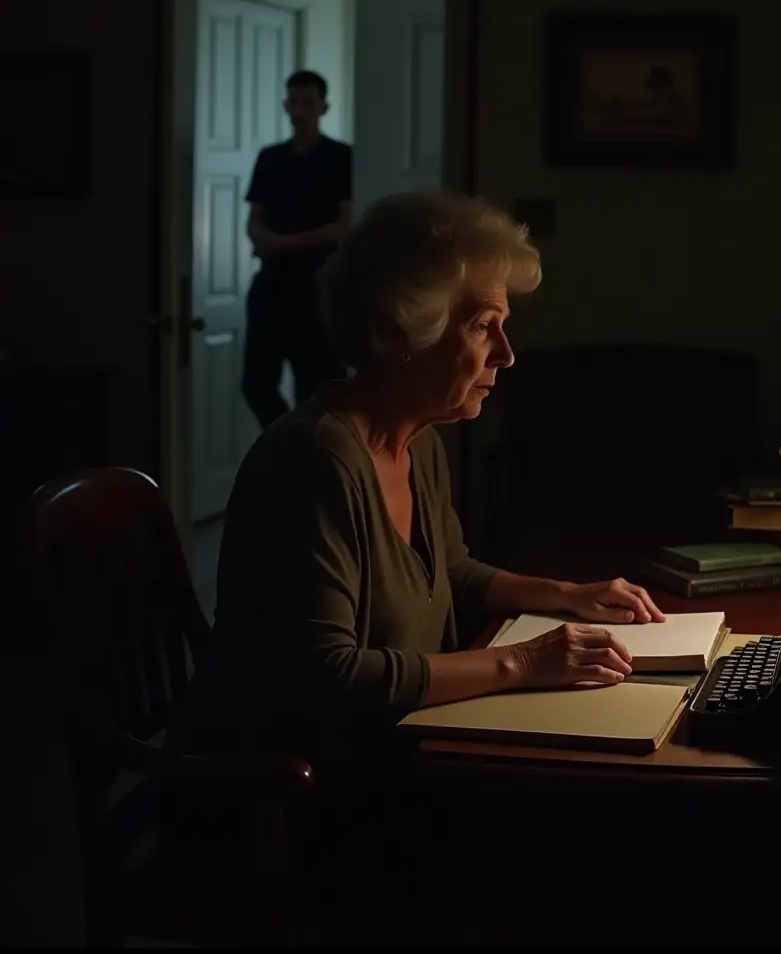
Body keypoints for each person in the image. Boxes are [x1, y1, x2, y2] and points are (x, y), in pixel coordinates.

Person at [171, 191, 664, 937]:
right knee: (572, 852)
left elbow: (451, 574)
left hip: (380, 759)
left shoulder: (415, 439)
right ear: (396, 330)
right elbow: (329, 676)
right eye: (482, 327)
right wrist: (523, 663)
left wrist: (570, 594)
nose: (507, 355)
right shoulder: (318, 459)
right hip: (285, 794)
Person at [240, 69, 352, 429]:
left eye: (308, 102)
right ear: (285, 106)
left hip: (318, 286)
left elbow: (343, 225)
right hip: (272, 284)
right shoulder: (271, 158)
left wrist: (283, 242)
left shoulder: (340, 157)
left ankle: (311, 458)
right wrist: (265, 239)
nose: (299, 110)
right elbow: (254, 220)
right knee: (256, 384)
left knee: (318, 386)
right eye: (293, 102)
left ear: (323, 107)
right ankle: (285, 443)